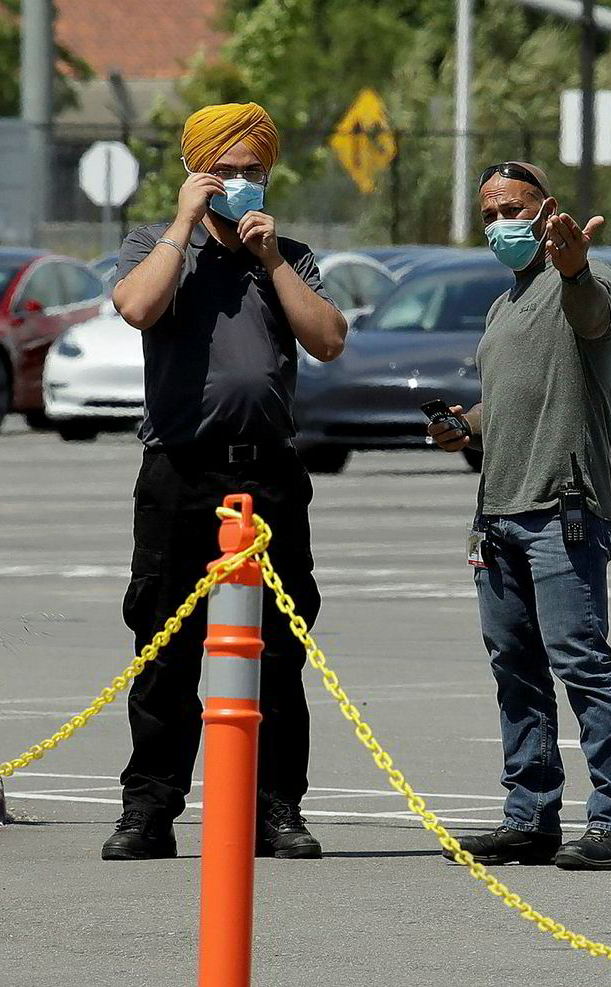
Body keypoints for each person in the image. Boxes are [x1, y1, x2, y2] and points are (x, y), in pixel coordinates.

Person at [102, 102, 348, 861]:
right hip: (181, 471)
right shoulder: (156, 246)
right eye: (226, 171)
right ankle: (150, 809)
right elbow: (137, 306)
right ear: (197, 171)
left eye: (253, 172)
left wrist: (272, 260)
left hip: (268, 473)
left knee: (278, 646)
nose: (240, 184)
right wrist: (182, 225)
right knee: (165, 642)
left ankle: (276, 808)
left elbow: (329, 338)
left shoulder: (289, 255)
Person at [428, 161, 611, 870]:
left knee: (582, 666)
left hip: (563, 510)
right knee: (515, 669)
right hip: (498, 514)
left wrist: (576, 267)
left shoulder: (586, 286)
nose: (499, 224)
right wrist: (466, 423)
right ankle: (530, 814)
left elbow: (595, 315)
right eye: (488, 212)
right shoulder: (505, 306)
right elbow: (512, 396)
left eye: (513, 209)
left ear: (546, 209)